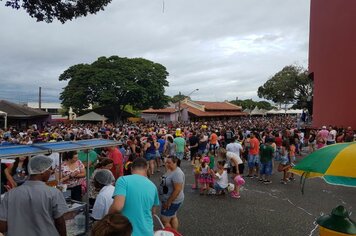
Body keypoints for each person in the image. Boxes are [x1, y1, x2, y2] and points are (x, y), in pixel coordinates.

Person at [0, 155, 68, 236]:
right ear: (42, 171)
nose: (50, 172)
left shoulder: (10, 194)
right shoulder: (54, 193)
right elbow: (60, 222)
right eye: (49, 169)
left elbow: (2, 227)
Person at [109, 158, 160, 236]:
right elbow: (153, 211)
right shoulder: (153, 186)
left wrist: (107, 217)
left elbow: (117, 207)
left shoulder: (123, 180)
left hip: (127, 230)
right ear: (146, 168)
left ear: (131, 168)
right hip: (147, 231)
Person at [160, 155, 185, 230]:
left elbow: (177, 190)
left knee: (164, 220)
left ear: (175, 162)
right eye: (166, 162)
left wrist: (168, 202)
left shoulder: (177, 173)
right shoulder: (171, 169)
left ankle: (171, 234)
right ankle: (175, 233)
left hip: (172, 201)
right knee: (173, 216)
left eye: (169, 163)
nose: (167, 164)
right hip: (170, 200)